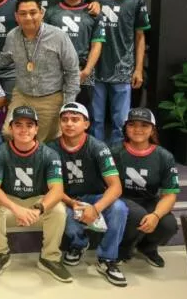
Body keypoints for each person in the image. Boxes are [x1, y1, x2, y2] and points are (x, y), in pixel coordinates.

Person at [0, 105, 71, 282]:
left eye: (29, 125)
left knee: (59, 209)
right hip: (10, 205)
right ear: (10, 128)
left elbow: (57, 189)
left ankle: (49, 258)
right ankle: (0, 254)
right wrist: (16, 209)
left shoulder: (49, 154)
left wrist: (38, 209)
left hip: (36, 205)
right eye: (18, 125)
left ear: (36, 129)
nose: (24, 130)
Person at [47, 102, 128, 287]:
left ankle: (107, 259)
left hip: (95, 197)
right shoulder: (51, 149)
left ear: (86, 124)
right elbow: (53, 187)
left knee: (119, 208)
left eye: (75, 119)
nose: (69, 124)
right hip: (67, 198)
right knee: (60, 212)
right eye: (65, 119)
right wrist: (72, 203)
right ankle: (79, 244)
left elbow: (116, 187)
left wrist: (96, 208)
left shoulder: (98, 147)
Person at [0, 0, 80, 142]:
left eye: (33, 12)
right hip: (22, 95)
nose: (28, 17)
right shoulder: (12, 36)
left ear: (41, 13)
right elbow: (4, 59)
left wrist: (68, 105)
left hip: (50, 99)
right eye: (23, 14)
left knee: (40, 141)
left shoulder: (58, 36)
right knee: (9, 133)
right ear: (16, 17)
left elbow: (72, 71)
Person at [92, 0, 151, 145]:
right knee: (95, 119)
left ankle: (118, 154)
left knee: (121, 121)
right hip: (96, 69)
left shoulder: (136, 0)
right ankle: (97, 153)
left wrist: (138, 69)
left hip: (123, 69)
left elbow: (140, 37)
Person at [112, 108, 179, 268]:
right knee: (136, 214)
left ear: (152, 130)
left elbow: (170, 195)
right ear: (125, 128)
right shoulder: (114, 152)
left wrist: (156, 215)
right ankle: (123, 248)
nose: (138, 129)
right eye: (132, 125)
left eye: (144, 125)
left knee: (169, 225)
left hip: (148, 200)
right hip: (120, 200)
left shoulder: (164, 156)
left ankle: (147, 247)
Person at [44, 0, 106, 117]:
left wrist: (87, 71)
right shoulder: (50, 13)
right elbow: (44, 44)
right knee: (54, 114)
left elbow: (96, 44)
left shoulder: (94, 13)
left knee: (82, 115)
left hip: (83, 71)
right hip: (55, 72)